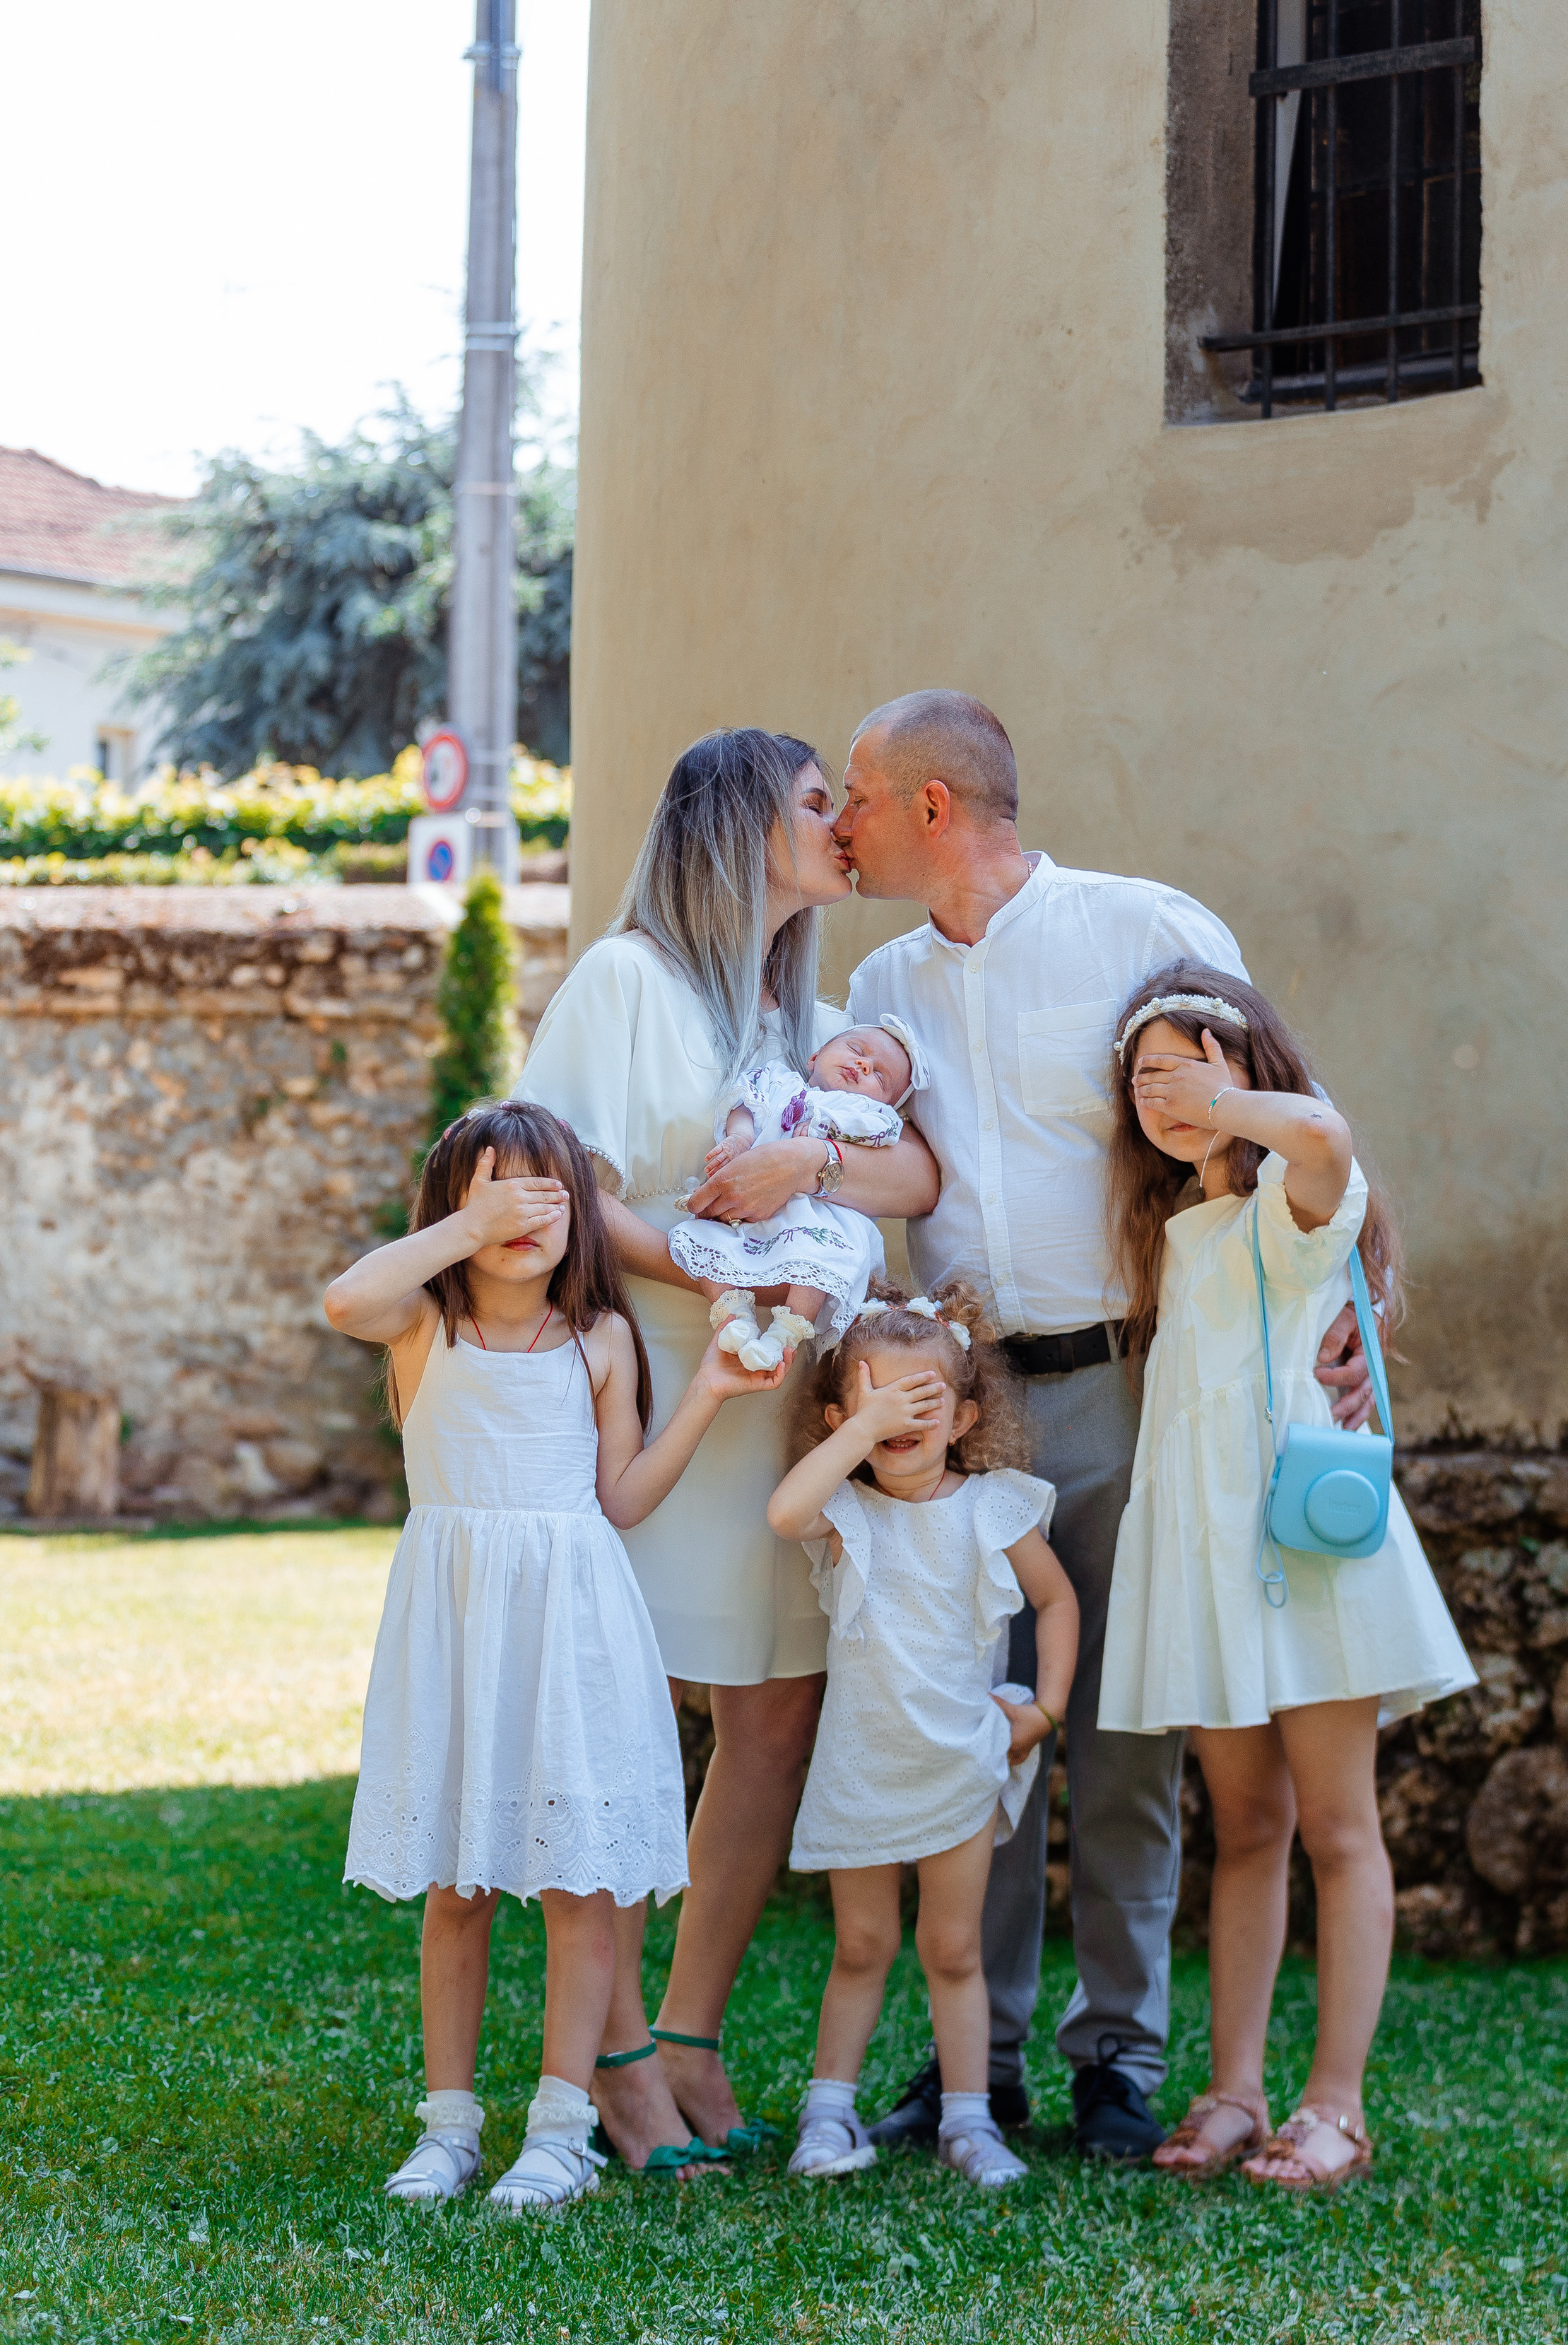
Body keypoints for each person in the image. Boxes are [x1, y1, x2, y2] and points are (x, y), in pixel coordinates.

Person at [835, 688, 1374, 2161]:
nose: (838, 822)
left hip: (1146, 1387)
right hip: (971, 1406)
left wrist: (1325, 1320)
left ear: (929, 807)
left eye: (855, 797)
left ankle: (1116, 2061)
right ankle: (978, 2066)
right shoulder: (873, 992)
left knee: (1134, 1726)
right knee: (977, 1726)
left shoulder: (1143, 927)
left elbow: (1277, 1112)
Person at [512, 729, 940, 2165]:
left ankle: (690, 2034)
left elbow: (897, 1169)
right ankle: (615, 2057)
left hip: (785, 1405)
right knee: (625, 1731)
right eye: (816, 801)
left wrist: (798, 1210)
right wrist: (713, 1271)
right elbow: (559, 1177)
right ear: (734, 821)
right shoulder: (623, 982)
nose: (842, 823)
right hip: (668, 1398)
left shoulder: (787, 1015)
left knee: (774, 1717)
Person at [326, 1100, 786, 2207]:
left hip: (574, 1628)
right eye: (492, 1192)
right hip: (460, 1629)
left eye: (542, 1194)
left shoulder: (601, 1339)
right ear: (452, 1211)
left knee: (581, 1887)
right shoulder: (423, 1328)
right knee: (460, 1883)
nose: (518, 1214)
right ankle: (447, 2128)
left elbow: (621, 1497)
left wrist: (713, 1394)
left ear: (579, 1215)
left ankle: (561, 2126)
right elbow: (348, 1296)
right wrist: (462, 1227)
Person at [1099, 967, 1474, 2187]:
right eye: (1142, 1076)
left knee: (1338, 1828)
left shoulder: (1292, 1200)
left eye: (1184, 1065)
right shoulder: (1173, 1230)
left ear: (1242, 1063)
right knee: (1246, 1827)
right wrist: (1200, 1106)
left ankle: (1336, 2105)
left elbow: (1319, 1130)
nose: (1161, 1093)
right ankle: (1235, 2090)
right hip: (1212, 1565)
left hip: (1307, 1563)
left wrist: (1229, 1098)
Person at [765, 1281, 1077, 2189]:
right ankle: (828, 2115)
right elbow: (784, 1513)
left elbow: (1055, 1600)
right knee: (861, 1947)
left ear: (966, 1414)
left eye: (922, 1400)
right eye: (874, 1400)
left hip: (959, 1763)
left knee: (954, 1949)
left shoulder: (992, 1507)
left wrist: (1045, 1709)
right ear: (837, 1416)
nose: (898, 1418)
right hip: (863, 1766)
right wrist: (857, 1440)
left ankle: (969, 2124)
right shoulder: (842, 1514)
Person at [668, 1016, 928, 1369]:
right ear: (814, 1057)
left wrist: (824, 1129)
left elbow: (875, 1133)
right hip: (746, 1202)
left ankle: (785, 1334)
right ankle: (733, 1315)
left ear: (887, 1104)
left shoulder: (865, 1113)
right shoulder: (778, 1081)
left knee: (818, 1259)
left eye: (879, 1077)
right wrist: (740, 1138)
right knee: (704, 1239)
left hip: (816, 1212)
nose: (863, 1065)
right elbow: (744, 1103)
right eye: (856, 1050)